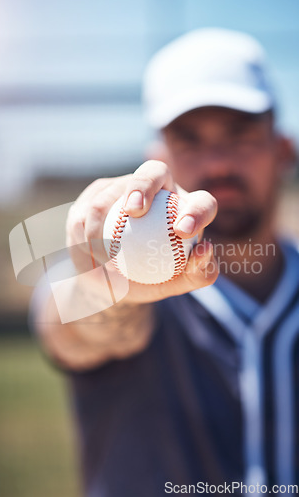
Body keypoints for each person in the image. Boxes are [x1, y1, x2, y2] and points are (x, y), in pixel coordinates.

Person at [33, 28, 298, 496]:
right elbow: (69, 326)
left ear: (283, 150)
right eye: (189, 140)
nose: (217, 164)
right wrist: (101, 291)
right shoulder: (130, 287)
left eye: (240, 134)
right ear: (158, 160)